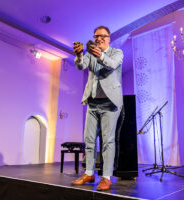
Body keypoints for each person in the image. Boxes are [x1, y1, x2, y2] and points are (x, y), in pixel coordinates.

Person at [71, 26, 123, 191]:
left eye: (102, 36)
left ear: (109, 38)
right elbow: (80, 66)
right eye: (96, 36)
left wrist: (99, 55)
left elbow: (112, 65)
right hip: (92, 103)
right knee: (89, 140)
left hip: (109, 104)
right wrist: (79, 55)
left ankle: (106, 177)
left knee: (108, 141)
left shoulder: (117, 52)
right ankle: (89, 173)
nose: (98, 39)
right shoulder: (90, 53)